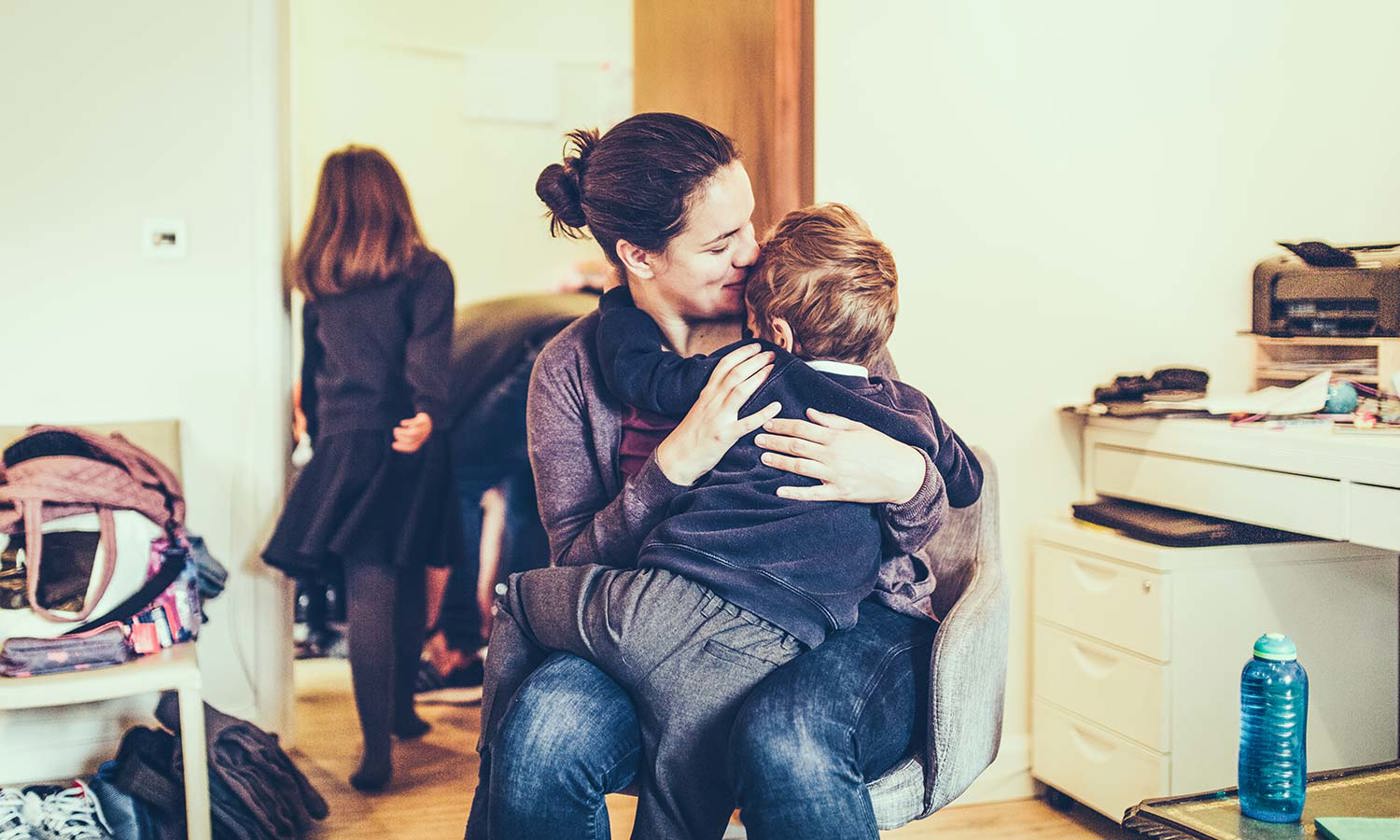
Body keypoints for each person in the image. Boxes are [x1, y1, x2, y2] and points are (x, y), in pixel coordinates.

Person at [465, 112, 958, 840]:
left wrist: (907, 478)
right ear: (638, 256)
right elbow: (573, 560)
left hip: (846, 622)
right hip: (666, 623)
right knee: (540, 736)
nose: (752, 254)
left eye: (750, 225)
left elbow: (928, 504)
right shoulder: (570, 370)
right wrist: (672, 466)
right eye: (722, 243)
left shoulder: (801, 310)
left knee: (788, 741)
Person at [262, 145, 458, 792]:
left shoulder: (320, 288)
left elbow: (313, 378)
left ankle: (380, 741)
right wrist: (427, 412)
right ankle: (397, 715)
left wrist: (317, 437)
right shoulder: (427, 273)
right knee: (401, 576)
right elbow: (428, 359)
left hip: (346, 447)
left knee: (367, 588)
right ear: (393, 200)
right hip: (407, 439)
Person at [418, 291, 600, 694]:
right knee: (527, 499)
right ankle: (518, 633)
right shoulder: (467, 338)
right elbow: (497, 505)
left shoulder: (417, 367)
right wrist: (488, 599)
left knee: (457, 484)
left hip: (547, 349)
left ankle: (457, 646)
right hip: (582, 342)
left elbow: (455, 500)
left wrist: (440, 625)